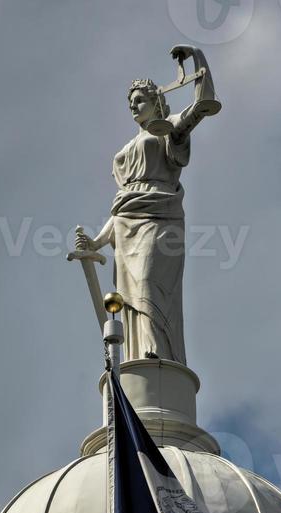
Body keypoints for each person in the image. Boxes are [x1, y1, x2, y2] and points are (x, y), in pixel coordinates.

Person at [76, 46, 221, 365]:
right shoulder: (127, 149)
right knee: (128, 298)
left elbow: (201, 105)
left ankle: (161, 355)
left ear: (156, 101)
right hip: (126, 226)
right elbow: (122, 207)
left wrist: (197, 58)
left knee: (149, 285)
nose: (133, 107)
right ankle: (139, 355)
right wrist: (97, 242)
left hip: (160, 218)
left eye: (139, 100)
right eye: (130, 104)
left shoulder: (167, 129)